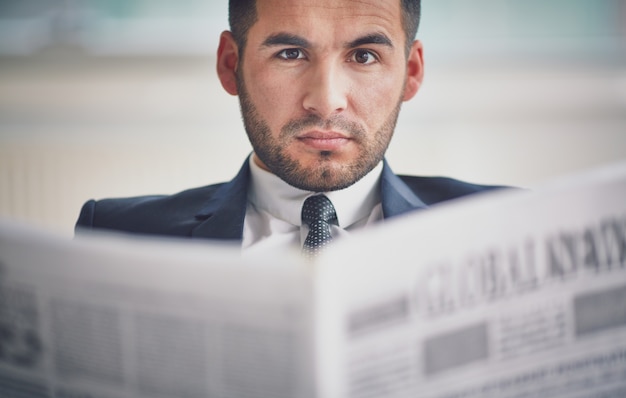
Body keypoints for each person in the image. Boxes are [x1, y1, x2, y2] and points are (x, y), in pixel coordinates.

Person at [75, 0, 505, 255]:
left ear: (411, 72)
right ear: (231, 65)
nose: (326, 100)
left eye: (364, 56)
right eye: (290, 54)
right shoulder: (117, 237)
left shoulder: (510, 228)